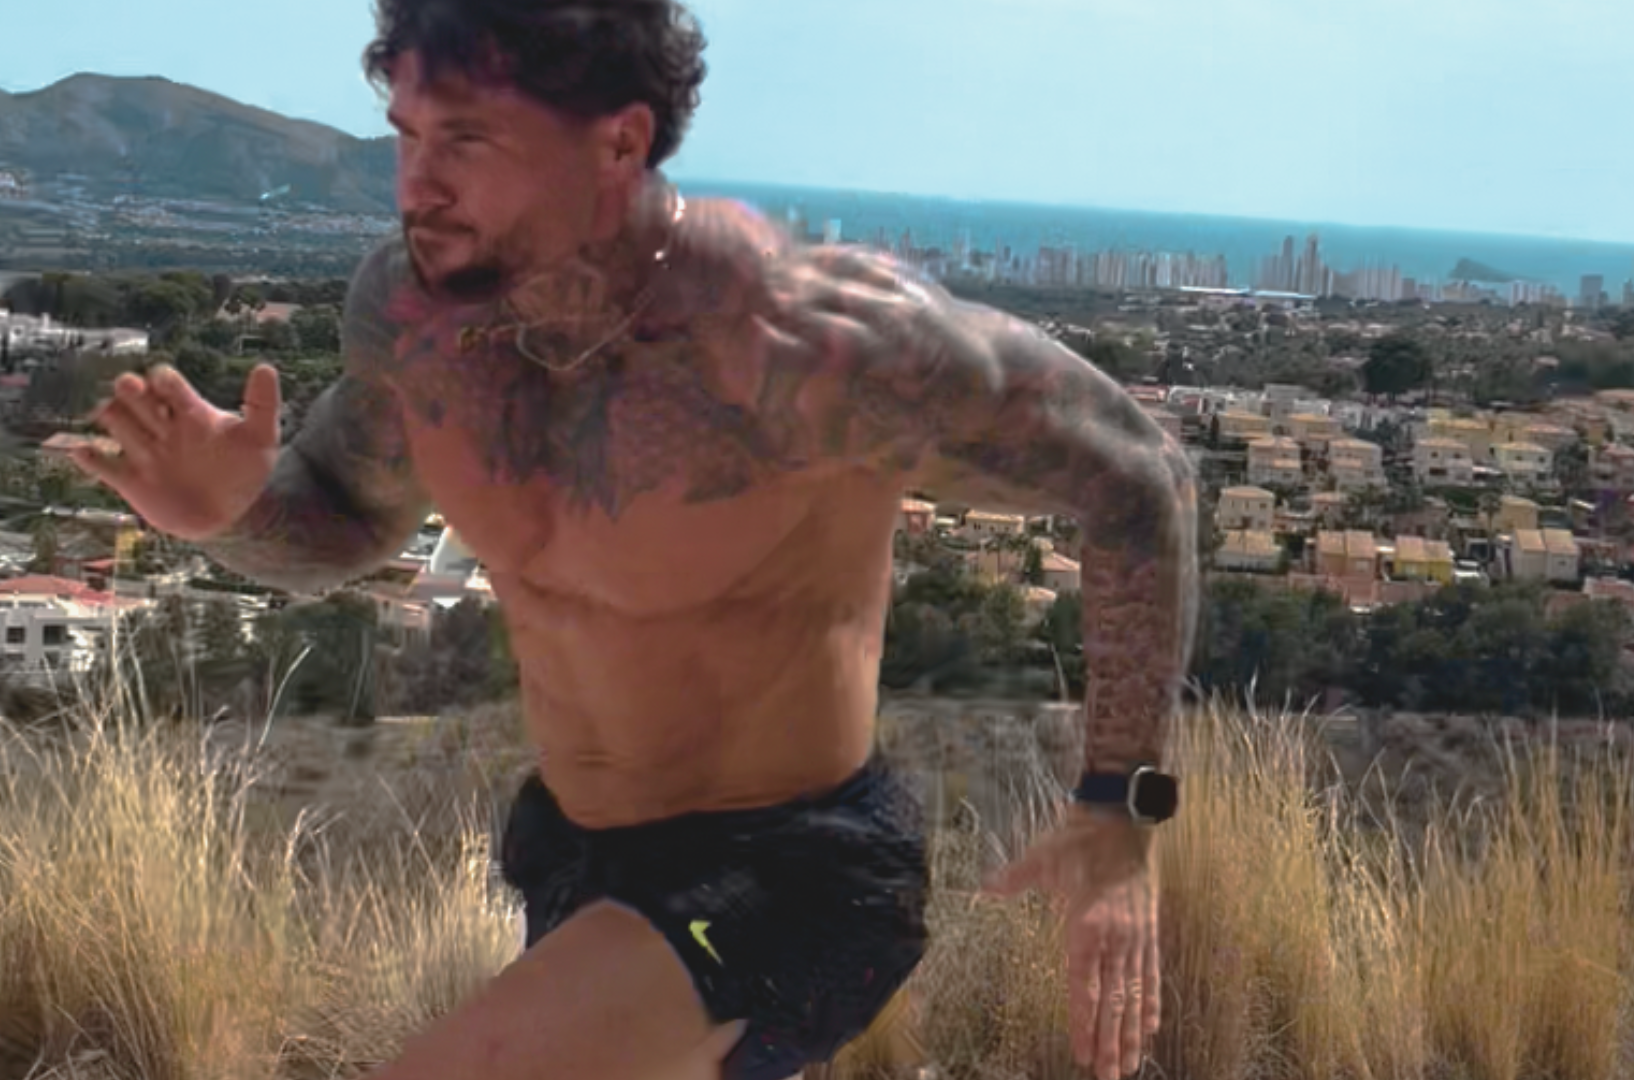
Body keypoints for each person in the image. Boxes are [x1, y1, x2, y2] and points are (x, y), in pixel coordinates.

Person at [69, 2, 1199, 1079]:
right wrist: (228, 515)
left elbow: (1138, 479)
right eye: (408, 136)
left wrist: (1121, 808)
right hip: (573, 861)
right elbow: (344, 523)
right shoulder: (418, 324)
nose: (418, 185)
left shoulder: (808, 346)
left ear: (617, 143)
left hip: (792, 876)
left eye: (468, 140)